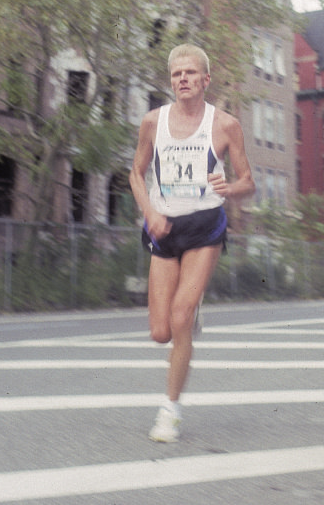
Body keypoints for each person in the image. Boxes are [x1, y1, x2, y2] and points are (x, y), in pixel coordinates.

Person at [129, 43, 255, 443]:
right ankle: (189, 309)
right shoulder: (153, 122)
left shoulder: (225, 125)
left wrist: (230, 187)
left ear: (205, 80)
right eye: (176, 74)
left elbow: (248, 183)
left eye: (189, 73)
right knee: (160, 332)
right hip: (163, 227)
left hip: (205, 227)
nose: (182, 79)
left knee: (180, 316)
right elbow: (136, 173)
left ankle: (170, 411)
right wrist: (149, 211)